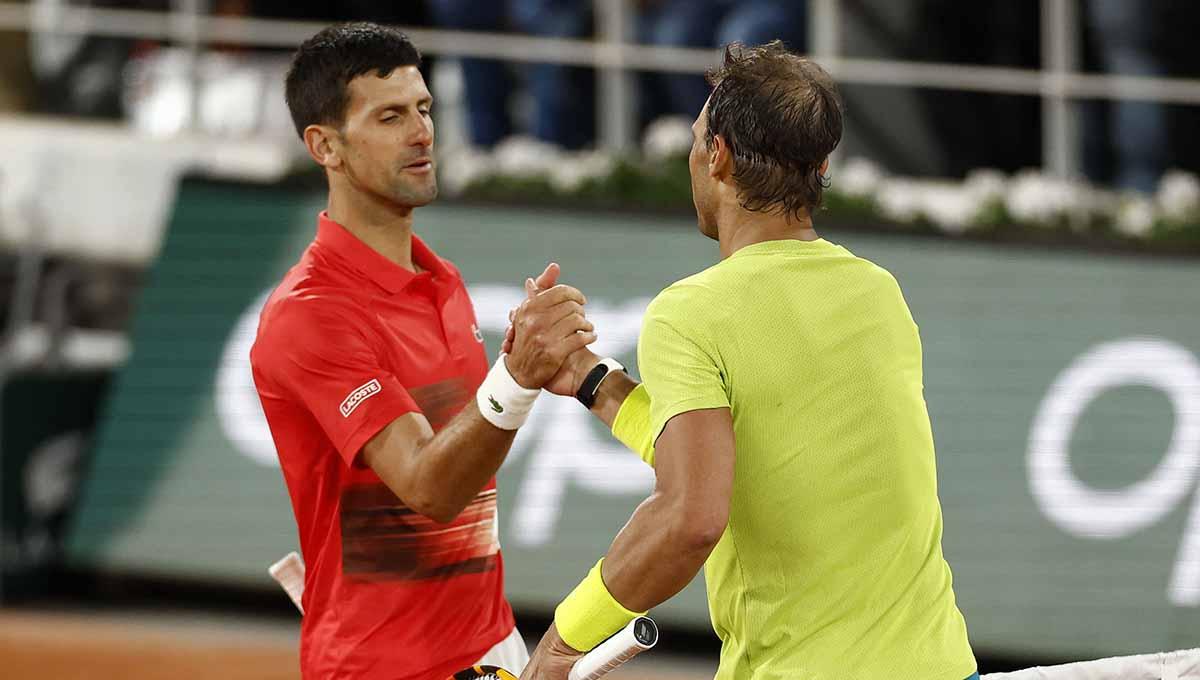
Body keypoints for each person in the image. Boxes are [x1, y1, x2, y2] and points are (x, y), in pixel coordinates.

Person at [515, 42, 979, 680]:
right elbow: (741, 465)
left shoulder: (693, 313)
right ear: (818, 166)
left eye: (697, 138)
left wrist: (565, 640)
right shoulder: (878, 292)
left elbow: (692, 515)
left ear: (719, 158)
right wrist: (595, 382)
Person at [250, 23, 595, 680]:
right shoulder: (311, 315)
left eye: (424, 109)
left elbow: (464, 474)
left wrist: (528, 372)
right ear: (326, 146)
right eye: (389, 116)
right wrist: (515, 377)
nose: (422, 133)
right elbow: (426, 487)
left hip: (491, 652)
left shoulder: (444, 281)